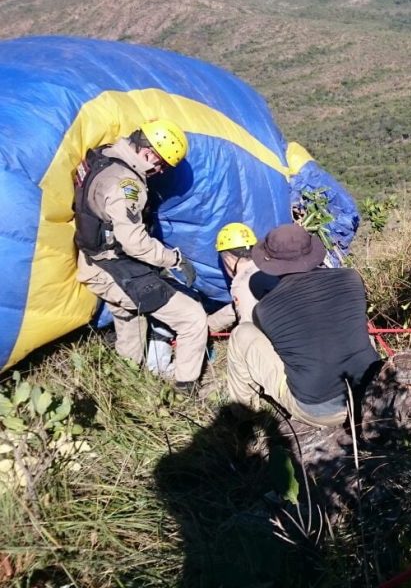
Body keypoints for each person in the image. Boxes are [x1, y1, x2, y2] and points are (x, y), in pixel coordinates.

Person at [74, 119, 208, 393]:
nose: (159, 172)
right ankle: (186, 390)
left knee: (130, 320)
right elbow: (134, 242)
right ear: (148, 152)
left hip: (94, 263)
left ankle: (128, 386)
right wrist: (174, 259)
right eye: (160, 165)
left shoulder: (106, 157)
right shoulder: (126, 185)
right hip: (113, 268)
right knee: (192, 318)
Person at [225, 223, 380, 426]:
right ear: (312, 251)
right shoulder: (351, 278)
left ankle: (243, 418)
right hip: (373, 391)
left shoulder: (265, 309)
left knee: (242, 334)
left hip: (318, 410)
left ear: (269, 262)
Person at [206, 222, 261, 332]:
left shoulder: (242, 283)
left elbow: (250, 328)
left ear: (228, 258)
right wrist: (207, 326)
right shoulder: (266, 267)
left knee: (240, 336)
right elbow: (237, 307)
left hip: (277, 342)